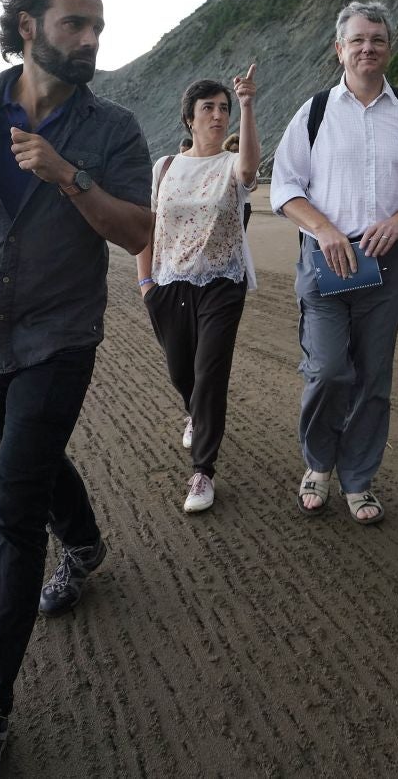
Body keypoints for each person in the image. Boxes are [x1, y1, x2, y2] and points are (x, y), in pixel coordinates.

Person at [0, 0, 153, 778]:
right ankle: (84, 543)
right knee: (36, 460)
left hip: (58, 342)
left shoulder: (113, 129)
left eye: (97, 29)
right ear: (28, 26)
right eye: (73, 24)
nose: (89, 40)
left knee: (15, 509)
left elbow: (136, 232)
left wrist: (68, 175)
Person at [270, 1, 398, 524]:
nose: (368, 47)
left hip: (387, 263)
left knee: (373, 377)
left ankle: (358, 479)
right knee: (328, 370)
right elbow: (284, 186)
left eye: (377, 39)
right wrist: (324, 229)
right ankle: (318, 463)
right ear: (339, 49)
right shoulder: (314, 112)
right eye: (358, 40)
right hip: (325, 260)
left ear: (389, 48)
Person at [136, 68, 259, 513]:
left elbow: (249, 168)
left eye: (224, 108)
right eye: (209, 108)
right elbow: (148, 226)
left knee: (209, 374)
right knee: (181, 372)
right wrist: (145, 282)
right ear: (189, 118)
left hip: (222, 283)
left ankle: (203, 471)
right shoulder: (165, 167)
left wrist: (247, 104)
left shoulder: (232, 165)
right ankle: (196, 414)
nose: (218, 115)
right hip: (168, 284)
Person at [222, 132, 253, 227]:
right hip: (227, 204)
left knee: (242, 232)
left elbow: (254, 185)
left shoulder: (247, 164)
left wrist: (242, 186)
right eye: (232, 151)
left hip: (244, 203)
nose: (234, 153)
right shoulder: (224, 164)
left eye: (237, 150)